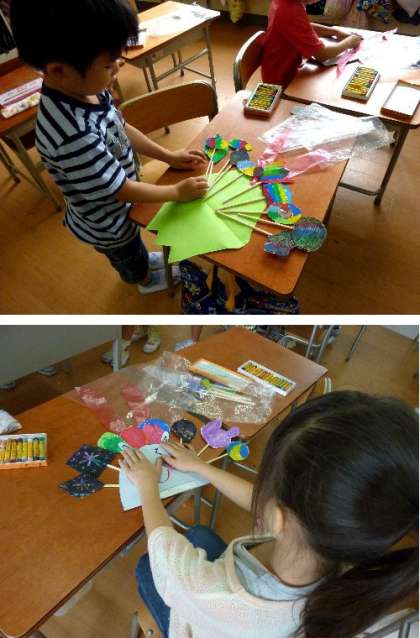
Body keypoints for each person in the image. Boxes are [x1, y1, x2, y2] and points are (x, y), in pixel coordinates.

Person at [120, 391, 418, 638]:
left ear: (278, 518)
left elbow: (165, 556)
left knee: (146, 567)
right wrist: (201, 468)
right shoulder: (348, 546)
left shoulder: (211, 592)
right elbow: (267, 504)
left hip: (207, 618)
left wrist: (147, 486)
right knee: (200, 535)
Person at [10, 0, 208, 295]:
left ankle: (143, 263)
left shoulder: (86, 89)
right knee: (128, 256)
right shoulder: (73, 137)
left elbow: (121, 127)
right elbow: (120, 189)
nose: (118, 66)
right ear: (59, 70)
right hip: (107, 224)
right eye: (107, 63)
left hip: (121, 201)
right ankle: (144, 280)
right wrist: (176, 193)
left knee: (135, 245)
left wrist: (169, 156)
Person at [261, 0, 364, 88]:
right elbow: (322, 55)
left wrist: (334, 32)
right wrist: (349, 42)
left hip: (281, 70)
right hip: (283, 80)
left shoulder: (286, 3)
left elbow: (302, 26)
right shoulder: (289, 11)